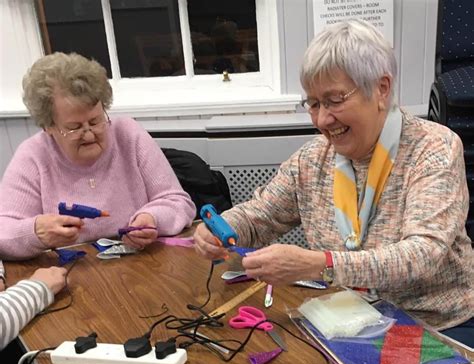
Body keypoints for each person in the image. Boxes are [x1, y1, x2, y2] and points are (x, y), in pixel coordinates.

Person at [194, 20, 474, 339]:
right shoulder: (312, 160)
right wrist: (220, 228)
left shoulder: (434, 148)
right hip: (351, 316)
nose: (323, 120)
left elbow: (421, 255)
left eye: (335, 100)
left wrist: (320, 264)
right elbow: (261, 217)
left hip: (437, 324)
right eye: (313, 104)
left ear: (381, 89)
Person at [0, 52, 196, 259]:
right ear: (48, 126)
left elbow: (178, 202)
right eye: (74, 127)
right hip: (72, 274)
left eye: (95, 121)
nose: (89, 134)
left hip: (141, 265)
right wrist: (36, 232)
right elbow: (4, 232)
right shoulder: (33, 156)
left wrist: (152, 218)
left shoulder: (129, 134)